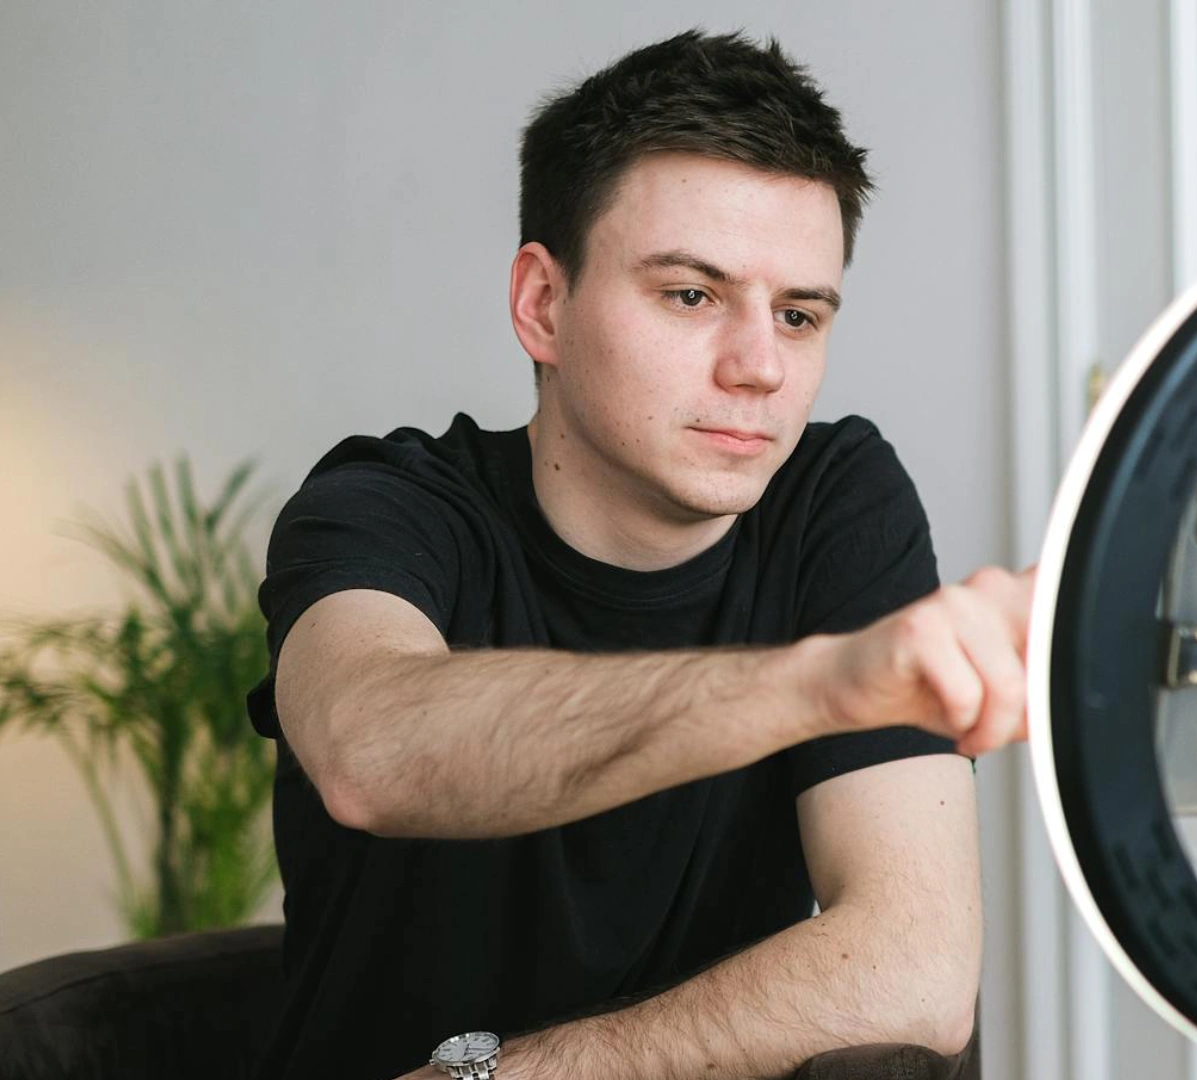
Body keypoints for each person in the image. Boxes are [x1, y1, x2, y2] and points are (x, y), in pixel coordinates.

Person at [245, 30, 1032, 1080]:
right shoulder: (387, 507)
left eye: (799, 315)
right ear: (543, 305)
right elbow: (371, 750)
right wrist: (822, 681)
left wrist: (507, 1078)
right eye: (692, 295)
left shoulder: (834, 501)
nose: (759, 367)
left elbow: (917, 967)